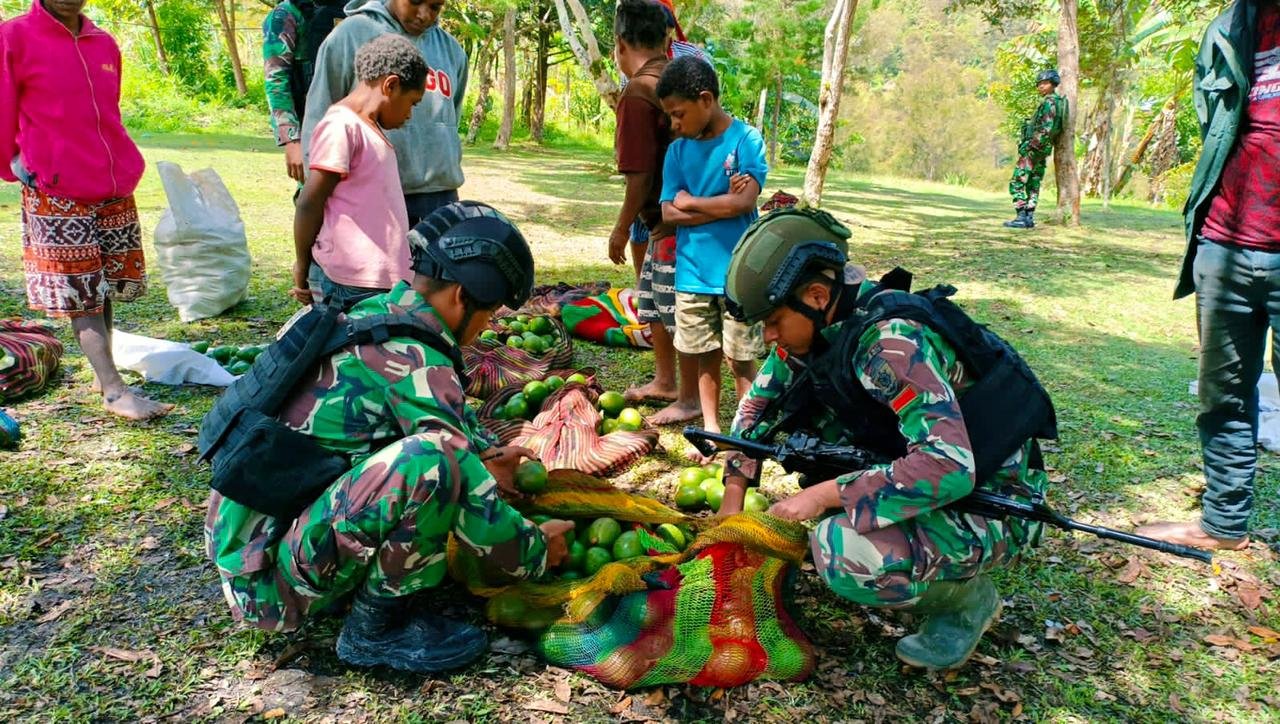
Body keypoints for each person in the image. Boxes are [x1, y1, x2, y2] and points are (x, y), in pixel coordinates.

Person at [206, 201, 574, 673]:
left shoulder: (375, 315)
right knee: (431, 461)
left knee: (441, 455)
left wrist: (487, 451)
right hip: (268, 589)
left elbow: (436, 417)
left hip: (247, 545)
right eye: (491, 312)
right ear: (461, 297)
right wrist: (537, 550)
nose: (490, 326)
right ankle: (376, 630)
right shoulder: (416, 359)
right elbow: (455, 469)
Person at [716, 208, 1052, 670]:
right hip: (933, 472)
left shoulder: (889, 344)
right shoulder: (821, 329)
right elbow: (754, 414)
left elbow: (948, 466)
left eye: (773, 321)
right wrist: (732, 504)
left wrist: (823, 496)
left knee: (841, 551)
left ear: (816, 295)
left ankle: (967, 603)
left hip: (993, 497)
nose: (768, 336)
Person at [1136, 0, 1278, 552]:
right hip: (1223, 242)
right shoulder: (1227, 28)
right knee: (1224, 397)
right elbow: (1214, 130)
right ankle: (1223, 524)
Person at [0, 0, 173, 421]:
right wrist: (15, 166)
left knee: (105, 284)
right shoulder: (14, 36)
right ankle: (115, 392)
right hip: (57, 188)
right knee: (82, 295)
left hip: (111, 183)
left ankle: (103, 372)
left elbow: (106, 112)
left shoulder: (103, 43)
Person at [656, 56, 768, 435]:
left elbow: (744, 203)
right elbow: (668, 215)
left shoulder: (747, 141)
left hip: (738, 274)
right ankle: (711, 429)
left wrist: (690, 201)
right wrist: (720, 206)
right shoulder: (677, 152)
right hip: (692, 273)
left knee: (741, 359)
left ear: (706, 99)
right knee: (704, 355)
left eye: (678, 113)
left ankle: (745, 432)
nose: (674, 124)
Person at [303, 0, 468, 226]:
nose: (424, 15)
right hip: (369, 195)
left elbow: (452, 117)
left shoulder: (451, 50)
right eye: (415, 2)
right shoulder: (350, 35)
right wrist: (313, 186)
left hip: (439, 197)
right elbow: (319, 113)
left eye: (435, 7)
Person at [291, 34, 427, 308]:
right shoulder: (342, 126)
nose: (410, 115)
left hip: (381, 281)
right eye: (413, 103)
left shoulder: (371, 129)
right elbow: (309, 202)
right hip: (353, 283)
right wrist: (302, 265)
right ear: (391, 85)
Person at [608, 0, 696, 422]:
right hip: (683, 218)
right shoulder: (677, 78)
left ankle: (689, 396)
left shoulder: (639, 92)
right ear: (666, 38)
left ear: (621, 44)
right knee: (655, 302)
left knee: (677, 308)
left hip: (668, 223)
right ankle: (665, 379)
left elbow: (639, 176)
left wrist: (620, 229)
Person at [262, 0, 349, 183]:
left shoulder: (353, 8)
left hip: (352, 126)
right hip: (311, 127)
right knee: (314, 200)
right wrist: (292, 140)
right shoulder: (287, 14)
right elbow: (276, 80)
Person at [1002, 69, 1066, 229]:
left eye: (1044, 83)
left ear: (1053, 84)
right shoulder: (1058, 102)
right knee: (1033, 182)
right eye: (1039, 84)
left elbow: (1047, 127)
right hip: (1043, 149)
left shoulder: (1049, 102)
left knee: (1017, 181)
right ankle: (1029, 217)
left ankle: (1021, 216)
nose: (1040, 87)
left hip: (1035, 149)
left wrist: (1031, 146)